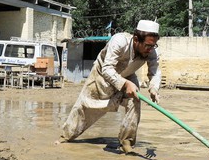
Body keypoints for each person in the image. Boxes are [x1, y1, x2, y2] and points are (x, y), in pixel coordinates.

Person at [56, 20, 161, 153]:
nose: (150, 49)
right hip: (101, 75)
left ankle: (127, 142)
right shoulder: (119, 41)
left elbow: (155, 72)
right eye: (147, 45)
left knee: (135, 101)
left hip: (128, 75)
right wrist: (124, 84)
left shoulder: (152, 50)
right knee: (83, 106)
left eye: (153, 45)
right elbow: (107, 69)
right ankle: (66, 136)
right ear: (136, 39)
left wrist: (154, 88)